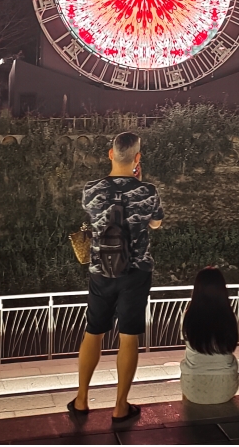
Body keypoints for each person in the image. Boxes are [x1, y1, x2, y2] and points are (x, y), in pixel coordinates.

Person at [69, 132, 164, 423]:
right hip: (136, 272)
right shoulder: (148, 191)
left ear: (110, 154)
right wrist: (139, 182)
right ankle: (120, 406)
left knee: (93, 331)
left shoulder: (91, 189)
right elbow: (156, 224)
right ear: (137, 158)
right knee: (128, 335)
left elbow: (95, 213)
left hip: (101, 271)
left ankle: (82, 399)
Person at [179, 266, 239, 404]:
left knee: (187, 363)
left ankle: (186, 408)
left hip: (192, 388)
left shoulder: (188, 316)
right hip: (227, 388)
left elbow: (187, 342)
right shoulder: (229, 316)